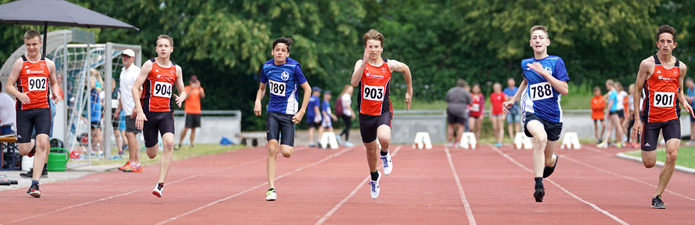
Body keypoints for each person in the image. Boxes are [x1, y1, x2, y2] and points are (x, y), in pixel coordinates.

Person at [503, 25, 568, 203]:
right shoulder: (526, 63)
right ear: (531, 43)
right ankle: (538, 186)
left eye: (541, 37)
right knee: (539, 138)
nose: (538, 40)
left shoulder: (556, 62)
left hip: (554, 116)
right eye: (534, 38)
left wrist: (544, 73)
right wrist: (514, 99)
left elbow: (564, 89)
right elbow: (525, 81)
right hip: (533, 112)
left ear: (547, 42)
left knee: (547, 159)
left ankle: (552, 159)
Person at [631, 25, 692, 209]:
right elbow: (637, 90)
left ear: (674, 45)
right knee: (649, 163)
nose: (665, 45)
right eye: (662, 41)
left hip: (672, 117)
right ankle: (653, 155)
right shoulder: (647, 64)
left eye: (669, 42)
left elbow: (679, 91)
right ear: (657, 43)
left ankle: (657, 195)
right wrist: (636, 119)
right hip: (651, 118)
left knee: (672, 155)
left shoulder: (681, 67)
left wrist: (684, 101)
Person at [351, 29, 413, 199]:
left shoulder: (389, 65)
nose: (373, 50)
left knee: (384, 137)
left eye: (376, 46)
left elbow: (406, 69)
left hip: (383, 111)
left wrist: (409, 91)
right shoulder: (360, 64)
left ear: (381, 48)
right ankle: (374, 177)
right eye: (369, 46)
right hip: (365, 114)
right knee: (370, 150)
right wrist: (363, 63)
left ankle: (385, 154)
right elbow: (354, 82)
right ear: (365, 48)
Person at [253, 37, 312, 201]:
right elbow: (262, 88)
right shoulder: (267, 66)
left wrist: (301, 112)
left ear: (287, 53)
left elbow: (307, 89)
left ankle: (287, 139)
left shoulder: (294, 67)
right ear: (272, 52)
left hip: (289, 114)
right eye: (277, 50)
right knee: (272, 148)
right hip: (272, 111)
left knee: (286, 153)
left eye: (283, 50)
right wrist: (258, 101)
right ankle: (271, 188)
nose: (279, 53)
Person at [5, 29, 61, 197]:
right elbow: (8, 85)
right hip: (24, 110)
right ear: (25, 44)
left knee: (43, 142)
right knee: (22, 150)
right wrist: (19, 95)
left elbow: (53, 83)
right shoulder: (20, 63)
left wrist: (55, 92)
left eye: (34, 44)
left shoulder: (49, 64)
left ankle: (35, 184)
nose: (31, 48)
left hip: (43, 109)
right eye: (28, 45)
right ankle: (36, 146)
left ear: (40, 44)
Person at [131, 35, 188, 197]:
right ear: (156, 49)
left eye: (166, 46)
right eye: (160, 46)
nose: (163, 48)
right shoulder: (149, 65)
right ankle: (150, 143)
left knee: (169, 143)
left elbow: (182, 90)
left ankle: (160, 184)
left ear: (171, 49)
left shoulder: (176, 69)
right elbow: (135, 88)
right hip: (148, 114)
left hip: (166, 113)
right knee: (152, 154)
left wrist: (182, 97)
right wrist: (140, 111)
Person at [115, 49, 143, 172]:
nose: (124, 58)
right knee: (131, 135)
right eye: (123, 56)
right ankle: (136, 163)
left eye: (127, 56)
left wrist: (137, 107)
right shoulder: (123, 72)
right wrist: (119, 108)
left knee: (130, 134)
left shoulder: (136, 71)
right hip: (126, 109)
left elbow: (141, 90)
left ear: (132, 58)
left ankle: (133, 162)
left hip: (133, 108)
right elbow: (122, 92)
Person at [177, 75, 205, 149]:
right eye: (192, 81)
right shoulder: (186, 88)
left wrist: (199, 87)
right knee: (186, 127)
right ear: (190, 82)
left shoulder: (199, 89)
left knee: (194, 128)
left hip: (197, 111)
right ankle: (180, 142)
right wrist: (191, 89)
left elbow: (203, 96)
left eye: (195, 81)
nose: (194, 83)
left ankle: (191, 144)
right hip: (189, 111)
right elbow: (186, 97)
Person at [598, 80, 624, 148]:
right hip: (612, 111)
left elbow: (611, 103)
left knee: (618, 126)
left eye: (607, 85)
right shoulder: (613, 92)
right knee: (609, 128)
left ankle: (621, 141)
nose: (606, 87)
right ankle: (605, 142)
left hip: (613, 111)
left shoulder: (613, 93)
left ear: (610, 85)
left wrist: (607, 112)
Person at [445, 79, 471, 148]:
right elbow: (470, 102)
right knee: (461, 126)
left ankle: (449, 142)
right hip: (461, 110)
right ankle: (458, 143)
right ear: (463, 85)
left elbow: (447, 100)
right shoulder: (466, 92)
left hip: (451, 109)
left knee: (451, 126)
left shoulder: (451, 91)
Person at [108, 78, 124, 155]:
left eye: (112, 84)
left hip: (114, 115)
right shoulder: (104, 93)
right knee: (105, 132)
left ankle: (120, 149)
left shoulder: (117, 93)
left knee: (117, 132)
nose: (111, 86)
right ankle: (102, 150)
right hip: (107, 115)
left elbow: (120, 101)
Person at [504, 78, 522, 142]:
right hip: (509, 108)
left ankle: (517, 136)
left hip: (516, 108)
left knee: (517, 122)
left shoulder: (517, 89)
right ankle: (511, 137)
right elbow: (505, 98)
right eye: (509, 82)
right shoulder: (505, 90)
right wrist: (514, 98)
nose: (510, 83)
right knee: (510, 123)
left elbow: (519, 97)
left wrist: (511, 98)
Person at [490, 82, 507, 147]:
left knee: (500, 127)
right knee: (494, 128)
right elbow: (491, 105)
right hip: (494, 113)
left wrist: (504, 114)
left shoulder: (502, 95)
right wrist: (490, 115)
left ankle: (500, 141)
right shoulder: (492, 95)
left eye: (497, 88)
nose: (495, 89)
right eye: (494, 88)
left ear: (500, 88)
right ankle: (497, 140)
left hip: (500, 113)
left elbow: (504, 104)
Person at [685, 78, 695, 145]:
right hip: (692, 108)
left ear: (691, 82)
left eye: (687, 84)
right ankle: (692, 139)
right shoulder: (688, 90)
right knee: (692, 124)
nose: (687, 85)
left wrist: (689, 98)